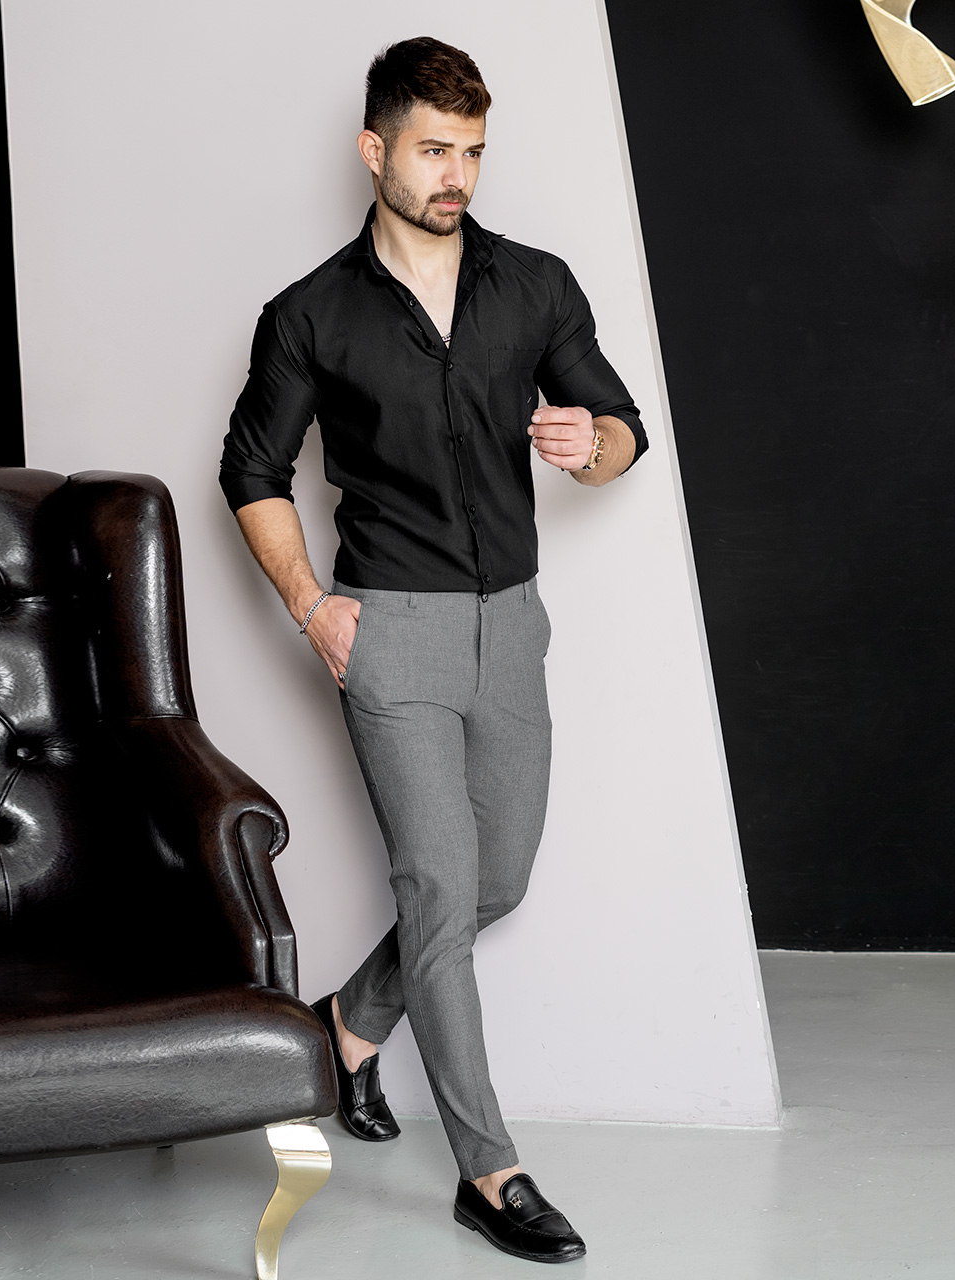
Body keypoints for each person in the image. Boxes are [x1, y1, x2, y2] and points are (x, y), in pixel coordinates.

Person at [218, 35, 647, 1265]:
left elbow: (622, 425)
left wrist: (591, 447)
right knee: (438, 891)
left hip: (509, 622)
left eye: (471, 151)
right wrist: (311, 604)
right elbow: (250, 470)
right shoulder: (309, 314)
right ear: (375, 151)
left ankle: (346, 1027)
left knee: (496, 876)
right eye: (432, 150)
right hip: (388, 633)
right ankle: (488, 1169)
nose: (455, 174)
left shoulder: (535, 283)